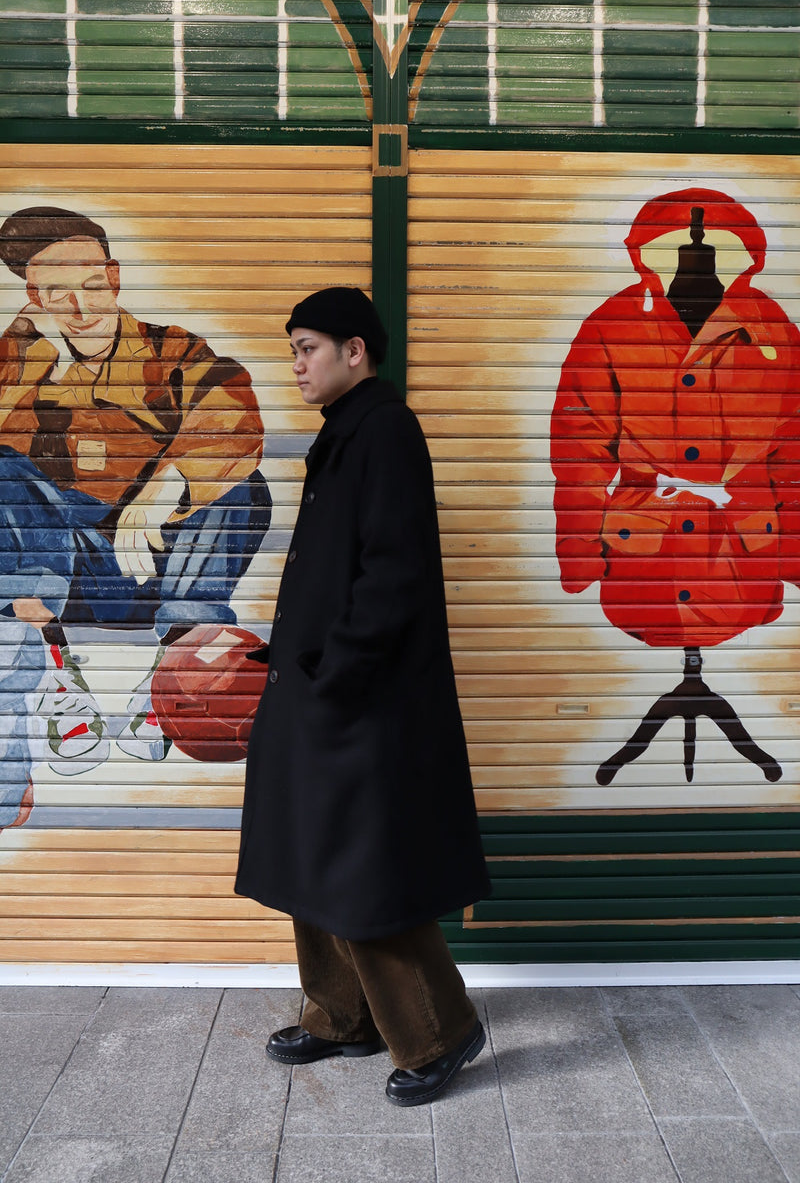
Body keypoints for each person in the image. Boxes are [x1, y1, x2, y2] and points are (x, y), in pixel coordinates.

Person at [236, 287, 490, 1106]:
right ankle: (343, 1014)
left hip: (361, 701)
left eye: (308, 346)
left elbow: (394, 575)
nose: (297, 364)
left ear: (356, 350)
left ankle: (441, 1029)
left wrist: (335, 673)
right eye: (292, 349)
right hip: (318, 691)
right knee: (310, 855)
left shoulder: (385, 430)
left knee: (362, 870)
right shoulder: (345, 433)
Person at [0, 206, 271, 807]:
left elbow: (233, 417)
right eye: (59, 293)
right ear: (34, 296)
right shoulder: (14, 362)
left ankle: (174, 669)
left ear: (115, 277)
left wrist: (164, 483)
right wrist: (26, 357)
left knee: (243, 487)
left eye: (93, 286)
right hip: (58, 575)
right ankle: (55, 667)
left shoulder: (173, 352)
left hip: (161, 567)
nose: (80, 308)